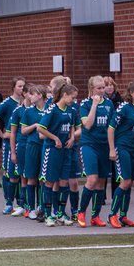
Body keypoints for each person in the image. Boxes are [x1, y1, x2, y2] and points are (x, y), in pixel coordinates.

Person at [35, 82, 79, 226]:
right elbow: (41, 128)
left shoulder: (71, 110)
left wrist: (72, 137)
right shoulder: (52, 109)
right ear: (64, 95)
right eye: (72, 97)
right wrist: (54, 138)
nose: (74, 100)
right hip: (52, 149)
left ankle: (61, 212)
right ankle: (48, 214)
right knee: (49, 181)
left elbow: (72, 126)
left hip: (66, 150)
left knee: (64, 181)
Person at [107, 80, 134, 228]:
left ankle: (123, 216)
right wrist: (112, 149)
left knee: (130, 182)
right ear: (131, 93)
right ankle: (112, 214)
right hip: (122, 147)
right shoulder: (124, 108)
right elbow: (111, 128)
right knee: (124, 181)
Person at [76, 76, 114, 227]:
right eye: (99, 88)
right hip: (89, 144)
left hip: (104, 145)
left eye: (103, 87)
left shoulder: (109, 104)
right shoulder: (85, 104)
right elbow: (88, 125)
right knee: (91, 180)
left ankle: (95, 216)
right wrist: (94, 104)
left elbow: (111, 127)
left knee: (101, 183)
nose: (102, 90)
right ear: (92, 88)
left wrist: (112, 147)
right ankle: (81, 212)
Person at [0, 77, 26, 214]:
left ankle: (22, 202)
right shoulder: (7, 103)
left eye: (24, 86)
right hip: (10, 142)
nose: (22, 89)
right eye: (20, 86)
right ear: (14, 87)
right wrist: (1, 134)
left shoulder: (26, 104)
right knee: (9, 171)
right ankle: (8, 202)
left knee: (21, 172)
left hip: (22, 141)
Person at [9, 84, 45, 219]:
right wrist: (35, 126)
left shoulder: (49, 110)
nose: (30, 96)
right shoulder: (28, 112)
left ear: (40, 95)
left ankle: (42, 207)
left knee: (43, 178)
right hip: (31, 146)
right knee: (30, 177)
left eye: (33, 94)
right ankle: (29, 208)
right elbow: (23, 131)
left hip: (45, 146)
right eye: (29, 94)